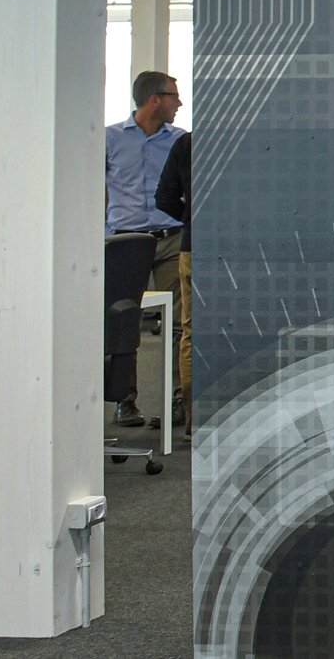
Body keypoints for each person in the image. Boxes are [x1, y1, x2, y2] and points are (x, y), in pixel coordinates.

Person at [105, 70, 186, 427]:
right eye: (174, 96)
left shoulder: (180, 140)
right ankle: (125, 401)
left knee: (180, 324)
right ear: (155, 99)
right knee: (124, 322)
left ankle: (179, 401)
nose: (179, 103)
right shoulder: (109, 139)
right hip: (125, 241)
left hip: (171, 238)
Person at [155, 130, 193, 438]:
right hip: (245, 246)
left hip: (194, 245)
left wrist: (191, 216)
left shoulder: (187, 142)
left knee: (191, 331)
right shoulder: (251, 138)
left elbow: (164, 198)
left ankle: (195, 420)